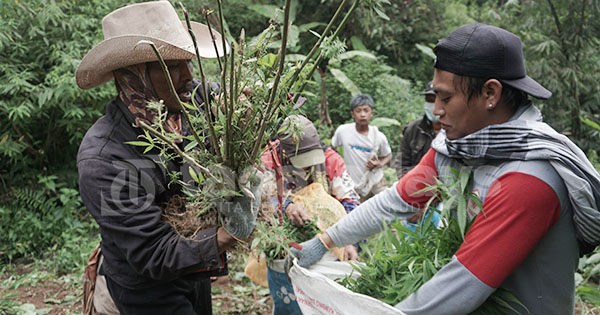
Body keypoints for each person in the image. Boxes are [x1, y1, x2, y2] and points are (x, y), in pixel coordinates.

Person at [290, 23, 600, 314]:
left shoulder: (531, 178)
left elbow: (464, 282)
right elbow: (394, 201)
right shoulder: (457, 150)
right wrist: (324, 241)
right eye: (435, 96)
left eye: (446, 98)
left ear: (490, 94)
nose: (436, 111)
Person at [76, 2, 258, 314]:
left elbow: (230, 97)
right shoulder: (107, 158)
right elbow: (152, 254)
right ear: (133, 75)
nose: (189, 75)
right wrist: (227, 236)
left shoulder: (190, 99)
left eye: (188, 61)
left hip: (196, 268)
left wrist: (241, 108)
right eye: (172, 66)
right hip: (147, 289)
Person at [261, 115, 360, 315]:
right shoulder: (270, 157)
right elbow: (261, 194)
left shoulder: (331, 159)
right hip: (286, 244)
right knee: (289, 301)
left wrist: (351, 241)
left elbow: (351, 201)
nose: (307, 167)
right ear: (284, 150)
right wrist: (286, 205)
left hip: (328, 242)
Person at [331, 94, 392, 202]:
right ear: (352, 114)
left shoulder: (379, 136)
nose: (362, 114)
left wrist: (379, 164)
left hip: (375, 181)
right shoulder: (343, 131)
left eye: (366, 110)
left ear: (371, 113)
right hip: (355, 184)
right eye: (358, 111)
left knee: (388, 207)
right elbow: (332, 149)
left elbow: (388, 155)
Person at [394, 81, 442, 178]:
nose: (432, 105)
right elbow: (402, 163)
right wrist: (407, 185)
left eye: (436, 100)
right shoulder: (413, 129)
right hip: (416, 185)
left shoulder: (455, 130)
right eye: (429, 100)